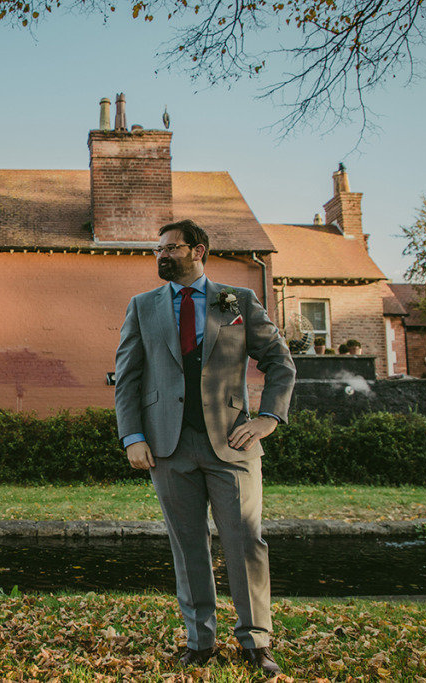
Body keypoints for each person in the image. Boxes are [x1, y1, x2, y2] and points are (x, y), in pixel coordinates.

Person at [114, 219, 296, 676]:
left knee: (245, 541)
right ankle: (200, 641)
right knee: (188, 545)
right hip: (167, 446)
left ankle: (256, 641)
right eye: (157, 248)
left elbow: (279, 361)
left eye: (170, 247)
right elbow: (128, 377)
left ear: (198, 251)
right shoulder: (142, 307)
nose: (161, 255)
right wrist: (132, 436)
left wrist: (268, 418)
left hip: (232, 443)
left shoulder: (238, 300)